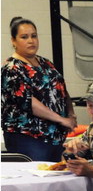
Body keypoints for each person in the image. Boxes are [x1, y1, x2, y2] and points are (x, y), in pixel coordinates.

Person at [1, 17, 77, 161]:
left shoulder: (45, 63)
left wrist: (71, 115)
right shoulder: (11, 69)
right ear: (13, 41)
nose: (31, 41)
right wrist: (61, 120)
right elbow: (29, 102)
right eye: (24, 37)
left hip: (54, 136)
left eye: (34, 36)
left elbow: (61, 89)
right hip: (28, 137)